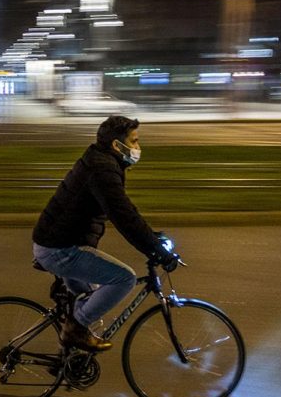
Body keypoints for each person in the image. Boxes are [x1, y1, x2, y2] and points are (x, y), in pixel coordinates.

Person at [31, 115, 178, 352]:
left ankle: (66, 361)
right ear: (117, 145)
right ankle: (74, 330)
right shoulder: (102, 170)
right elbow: (124, 218)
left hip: (57, 242)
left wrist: (152, 237)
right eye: (134, 141)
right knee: (124, 279)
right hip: (61, 249)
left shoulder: (102, 162)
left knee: (89, 300)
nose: (138, 147)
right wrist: (156, 250)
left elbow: (127, 211)